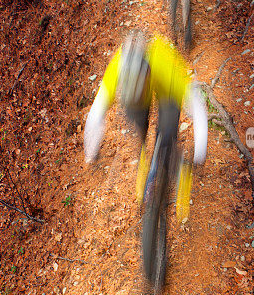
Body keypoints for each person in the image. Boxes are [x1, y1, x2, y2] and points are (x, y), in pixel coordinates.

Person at [84, 31, 207, 205]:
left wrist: (200, 152)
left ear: (147, 74)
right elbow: (97, 112)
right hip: (134, 97)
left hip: (167, 90)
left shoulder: (164, 65)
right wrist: (91, 151)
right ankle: (144, 157)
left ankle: (177, 167)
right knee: (137, 120)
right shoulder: (117, 70)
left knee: (166, 138)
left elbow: (197, 105)